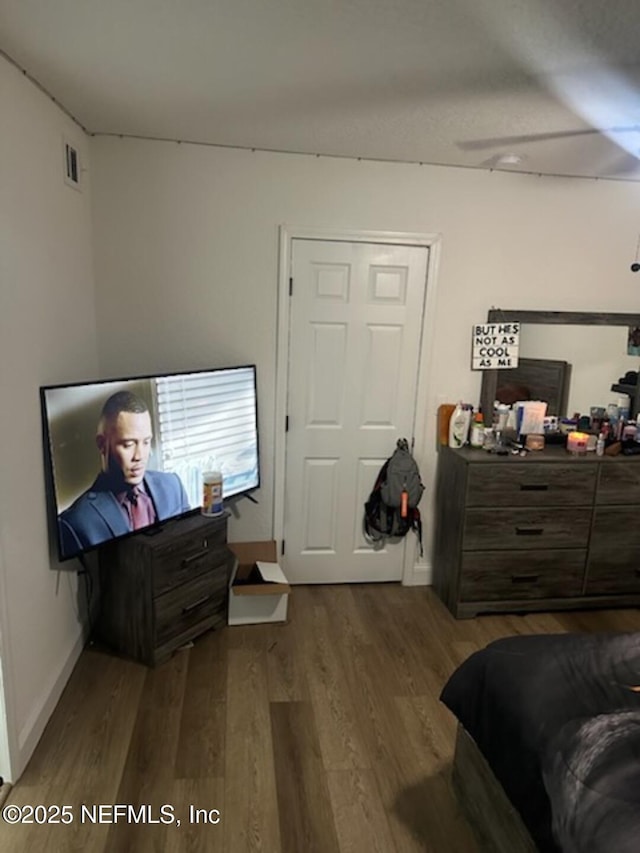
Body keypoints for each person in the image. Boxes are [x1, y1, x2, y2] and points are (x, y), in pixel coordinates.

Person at [58, 390, 190, 558]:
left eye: (146, 442)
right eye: (128, 444)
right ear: (101, 444)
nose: (140, 456)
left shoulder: (173, 486)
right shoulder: (75, 523)